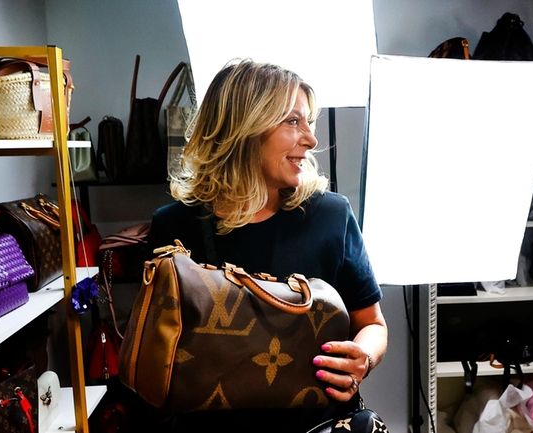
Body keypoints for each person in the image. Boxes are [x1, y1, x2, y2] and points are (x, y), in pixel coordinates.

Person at [145, 59, 388, 432]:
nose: (311, 138)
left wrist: (363, 359)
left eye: (308, 121)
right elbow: (159, 351)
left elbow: (372, 324)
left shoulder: (331, 217)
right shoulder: (174, 226)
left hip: (318, 424)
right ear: (243, 128)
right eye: (293, 121)